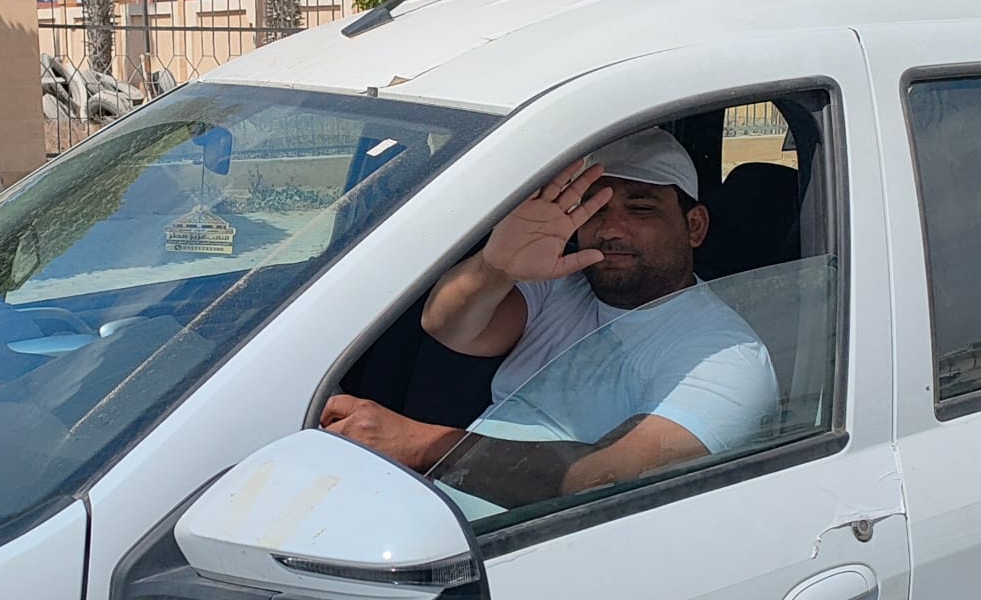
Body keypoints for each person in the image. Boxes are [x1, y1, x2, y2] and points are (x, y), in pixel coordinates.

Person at [322, 129, 779, 504]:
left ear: (694, 226)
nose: (611, 228)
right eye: (594, 208)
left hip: (539, 547)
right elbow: (446, 325)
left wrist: (421, 445)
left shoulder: (724, 356)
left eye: (640, 208)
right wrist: (495, 266)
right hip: (434, 515)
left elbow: (604, 478)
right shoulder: (563, 284)